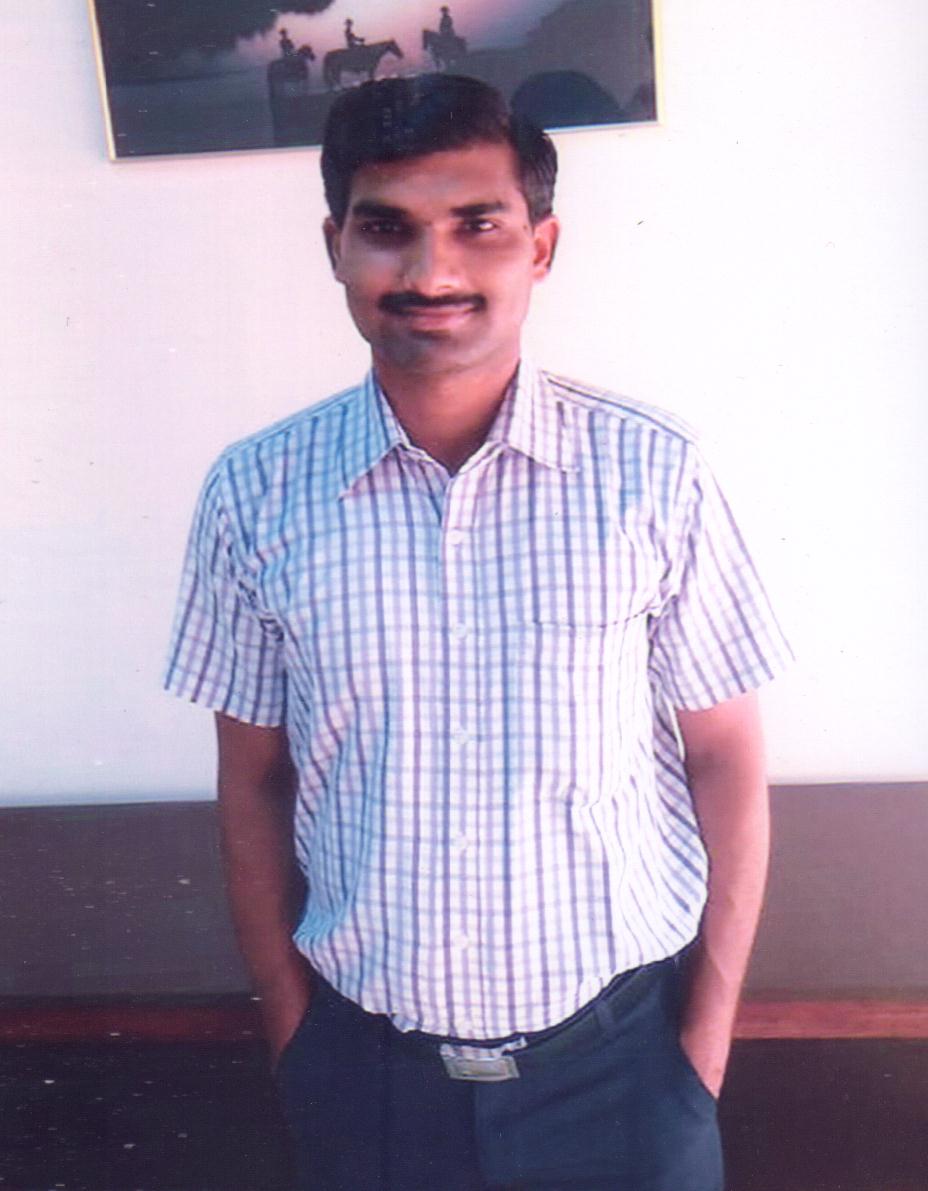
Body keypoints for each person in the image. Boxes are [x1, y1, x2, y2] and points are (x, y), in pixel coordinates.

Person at [164, 74, 791, 1190]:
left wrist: (699, 1052)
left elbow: (725, 757)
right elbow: (253, 778)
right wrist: (296, 1035)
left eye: (476, 225)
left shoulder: (653, 472)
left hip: (622, 1074)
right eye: (386, 229)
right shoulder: (252, 495)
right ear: (335, 246)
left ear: (540, 247)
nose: (431, 272)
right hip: (367, 1080)